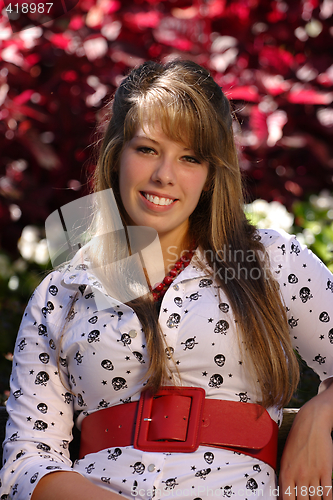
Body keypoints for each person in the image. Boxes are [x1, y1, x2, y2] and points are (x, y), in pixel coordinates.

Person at [1, 60, 333, 500]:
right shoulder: (61, 294)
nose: (164, 175)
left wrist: (321, 412)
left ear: (212, 173)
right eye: (147, 149)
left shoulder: (270, 261)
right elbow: (26, 460)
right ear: (116, 153)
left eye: (190, 157)